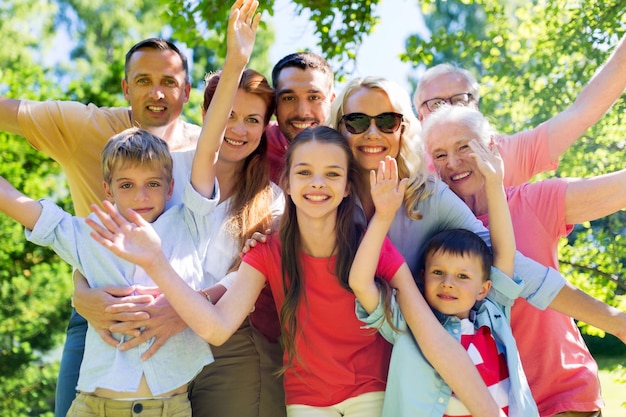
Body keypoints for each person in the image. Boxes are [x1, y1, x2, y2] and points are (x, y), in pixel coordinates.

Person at [88, 126, 519, 417]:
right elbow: (216, 328)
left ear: (348, 185)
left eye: (332, 174)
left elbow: (432, 336)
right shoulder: (268, 251)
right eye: (304, 173)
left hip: (373, 395)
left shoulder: (370, 245)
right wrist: (155, 262)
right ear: (287, 184)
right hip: (307, 403)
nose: (318, 184)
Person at [75, 2, 284, 416]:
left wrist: (185, 307)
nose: (238, 129)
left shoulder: (272, 199)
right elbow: (108, 237)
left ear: (266, 128)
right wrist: (81, 296)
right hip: (147, 333)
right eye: (228, 115)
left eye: (254, 120)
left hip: (222, 338)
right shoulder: (168, 172)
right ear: (206, 114)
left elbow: (241, 281)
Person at [328, 76, 626, 355]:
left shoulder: (428, 197)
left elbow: (513, 266)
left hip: (417, 370)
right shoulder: (324, 195)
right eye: (356, 121)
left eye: (386, 121)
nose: (372, 133)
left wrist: (614, 321)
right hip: (335, 374)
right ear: (338, 126)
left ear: (403, 128)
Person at [0, 32, 199, 416]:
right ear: (126, 87)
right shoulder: (83, 126)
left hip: (183, 324)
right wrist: (81, 291)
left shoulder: (203, 150)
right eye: (143, 81)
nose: (156, 93)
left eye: (169, 82)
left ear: (187, 90)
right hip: (97, 316)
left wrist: (192, 305)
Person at [422, 105, 626, 417]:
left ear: (491, 146)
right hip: (493, 403)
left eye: (464, 146)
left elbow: (617, 190)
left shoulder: (534, 201)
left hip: (563, 396)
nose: (452, 162)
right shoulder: (438, 232)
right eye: (439, 154)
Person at [350, 136, 539, 415]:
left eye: (462, 277)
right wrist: (383, 217)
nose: (447, 283)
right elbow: (361, 283)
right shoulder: (408, 323)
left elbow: (504, 253)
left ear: (483, 288)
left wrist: (495, 184)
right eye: (438, 273)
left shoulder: (493, 312)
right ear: (423, 277)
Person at [413, 33, 626, 188]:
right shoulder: (409, 166)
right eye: (437, 104)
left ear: (476, 107)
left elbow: (581, 113)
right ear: (420, 117)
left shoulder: (508, 153)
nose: (449, 110)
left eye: (460, 99)